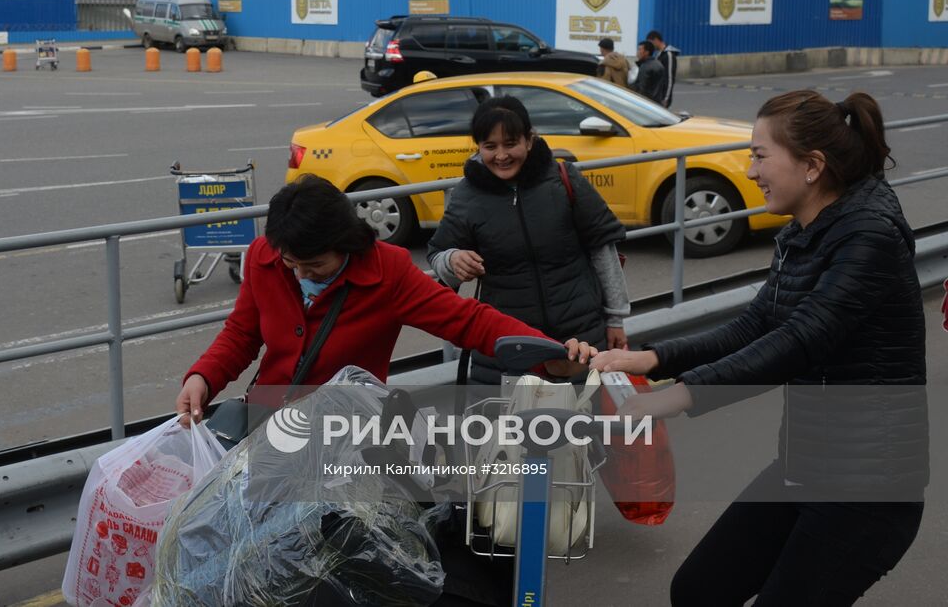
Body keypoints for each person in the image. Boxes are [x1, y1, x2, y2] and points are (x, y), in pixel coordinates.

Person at [592, 89, 927, 607]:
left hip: (868, 491)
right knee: (700, 589)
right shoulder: (805, 230)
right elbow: (755, 325)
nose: (750, 171)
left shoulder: (869, 238)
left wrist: (675, 397)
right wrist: (652, 358)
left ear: (812, 166)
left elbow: (800, 341)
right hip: (806, 467)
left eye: (760, 155)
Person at [176, 174, 598, 422]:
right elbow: (241, 334)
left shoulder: (387, 271)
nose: (301, 273)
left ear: (345, 243)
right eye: (292, 263)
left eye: (314, 265)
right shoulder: (262, 259)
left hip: (344, 434)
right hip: (268, 424)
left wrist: (549, 355)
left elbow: (470, 321)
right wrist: (202, 378)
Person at [426, 96, 630, 382]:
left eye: (511, 144)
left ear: (530, 140)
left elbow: (603, 249)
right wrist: (453, 259)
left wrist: (616, 319)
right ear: (479, 147)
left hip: (582, 337)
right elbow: (438, 253)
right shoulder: (467, 194)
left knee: (585, 421)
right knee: (514, 425)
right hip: (508, 345)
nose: (501, 156)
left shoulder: (563, 179)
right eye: (490, 147)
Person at [646, 29, 679, 108]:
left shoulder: (668, 55)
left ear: (656, 40)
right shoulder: (658, 55)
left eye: (651, 43)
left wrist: (666, 99)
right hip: (656, 95)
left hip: (663, 97)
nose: (650, 46)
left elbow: (670, 79)